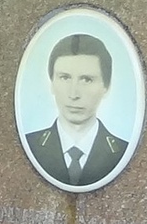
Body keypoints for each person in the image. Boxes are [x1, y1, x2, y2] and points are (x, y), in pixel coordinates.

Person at [24, 33, 130, 186]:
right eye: (64, 78)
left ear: (106, 86)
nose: (73, 94)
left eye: (86, 80)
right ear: (52, 83)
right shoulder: (30, 146)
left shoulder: (122, 152)